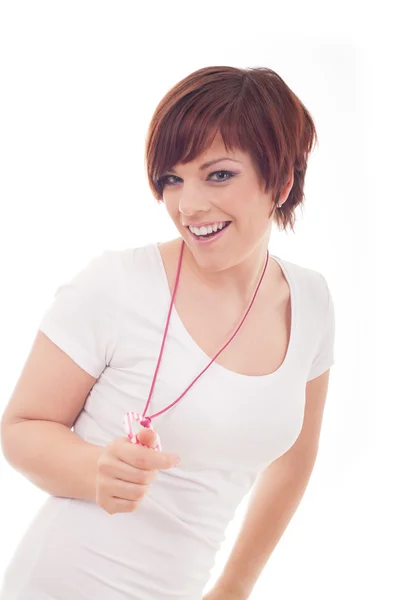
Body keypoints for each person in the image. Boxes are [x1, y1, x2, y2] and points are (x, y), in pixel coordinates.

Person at [0, 65, 335, 600]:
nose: (188, 204)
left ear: (281, 180)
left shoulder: (311, 302)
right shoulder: (117, 284)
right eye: (172, 178)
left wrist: (234, 587)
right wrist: (95, 469)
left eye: (218, 174)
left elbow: (293, 461)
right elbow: (20, 426)